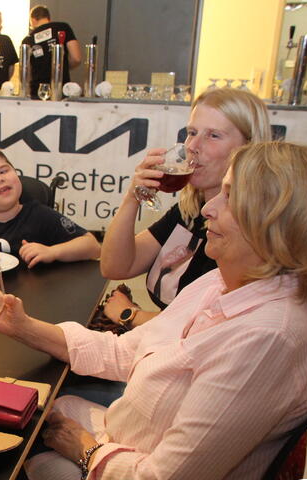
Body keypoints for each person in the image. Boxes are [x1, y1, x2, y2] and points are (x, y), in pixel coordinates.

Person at [0, 141, 307, 480]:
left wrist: (84, 448)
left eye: (230, 197)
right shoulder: (222, 282)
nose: (209, 208)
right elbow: (126, 352)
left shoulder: (268, 338)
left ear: (280, 226)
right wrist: (22, 326)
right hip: (126, 449)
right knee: (17, 413)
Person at [99, 88, 272, 330]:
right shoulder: (191, 209)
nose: (193, 146)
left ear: (248, 148)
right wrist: (133, 196)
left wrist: (130, 314)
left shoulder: (246, 230)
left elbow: (212, 327)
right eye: (191, 133)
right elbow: (115, 266)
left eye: (213, 135)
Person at [21, 5, 81, 99]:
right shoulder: (62, 27)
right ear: (48, 18)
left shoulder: (28, 39)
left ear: (33, 20)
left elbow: (26, 70)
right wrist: (62, 67)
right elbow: (76, 58)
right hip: (61, 89)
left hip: (37, 92)